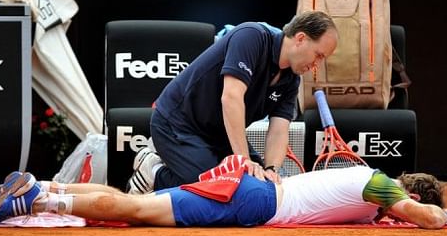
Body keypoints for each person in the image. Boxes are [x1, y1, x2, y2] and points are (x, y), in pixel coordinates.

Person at [127, 11, 339, 194]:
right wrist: (243, 160)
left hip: (221, 135)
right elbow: (231, 98)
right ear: (300, 38)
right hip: (176, 124)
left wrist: (271, 169)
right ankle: (153, 171)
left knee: (259, 186)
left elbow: (279, 130)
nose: (316, 66)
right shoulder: (251, 36)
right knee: (219, 186)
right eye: (318, 55)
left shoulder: (292, 80)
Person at [0, 165, 447, 229]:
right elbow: (428, 218)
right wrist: (441, 214)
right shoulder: (382, 186)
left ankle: (47, 184)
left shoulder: (367, 199)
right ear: (407, 191)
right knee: (137, 210)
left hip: (251, 191)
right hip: (253, 202)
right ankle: (35, 201)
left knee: (131, 199)